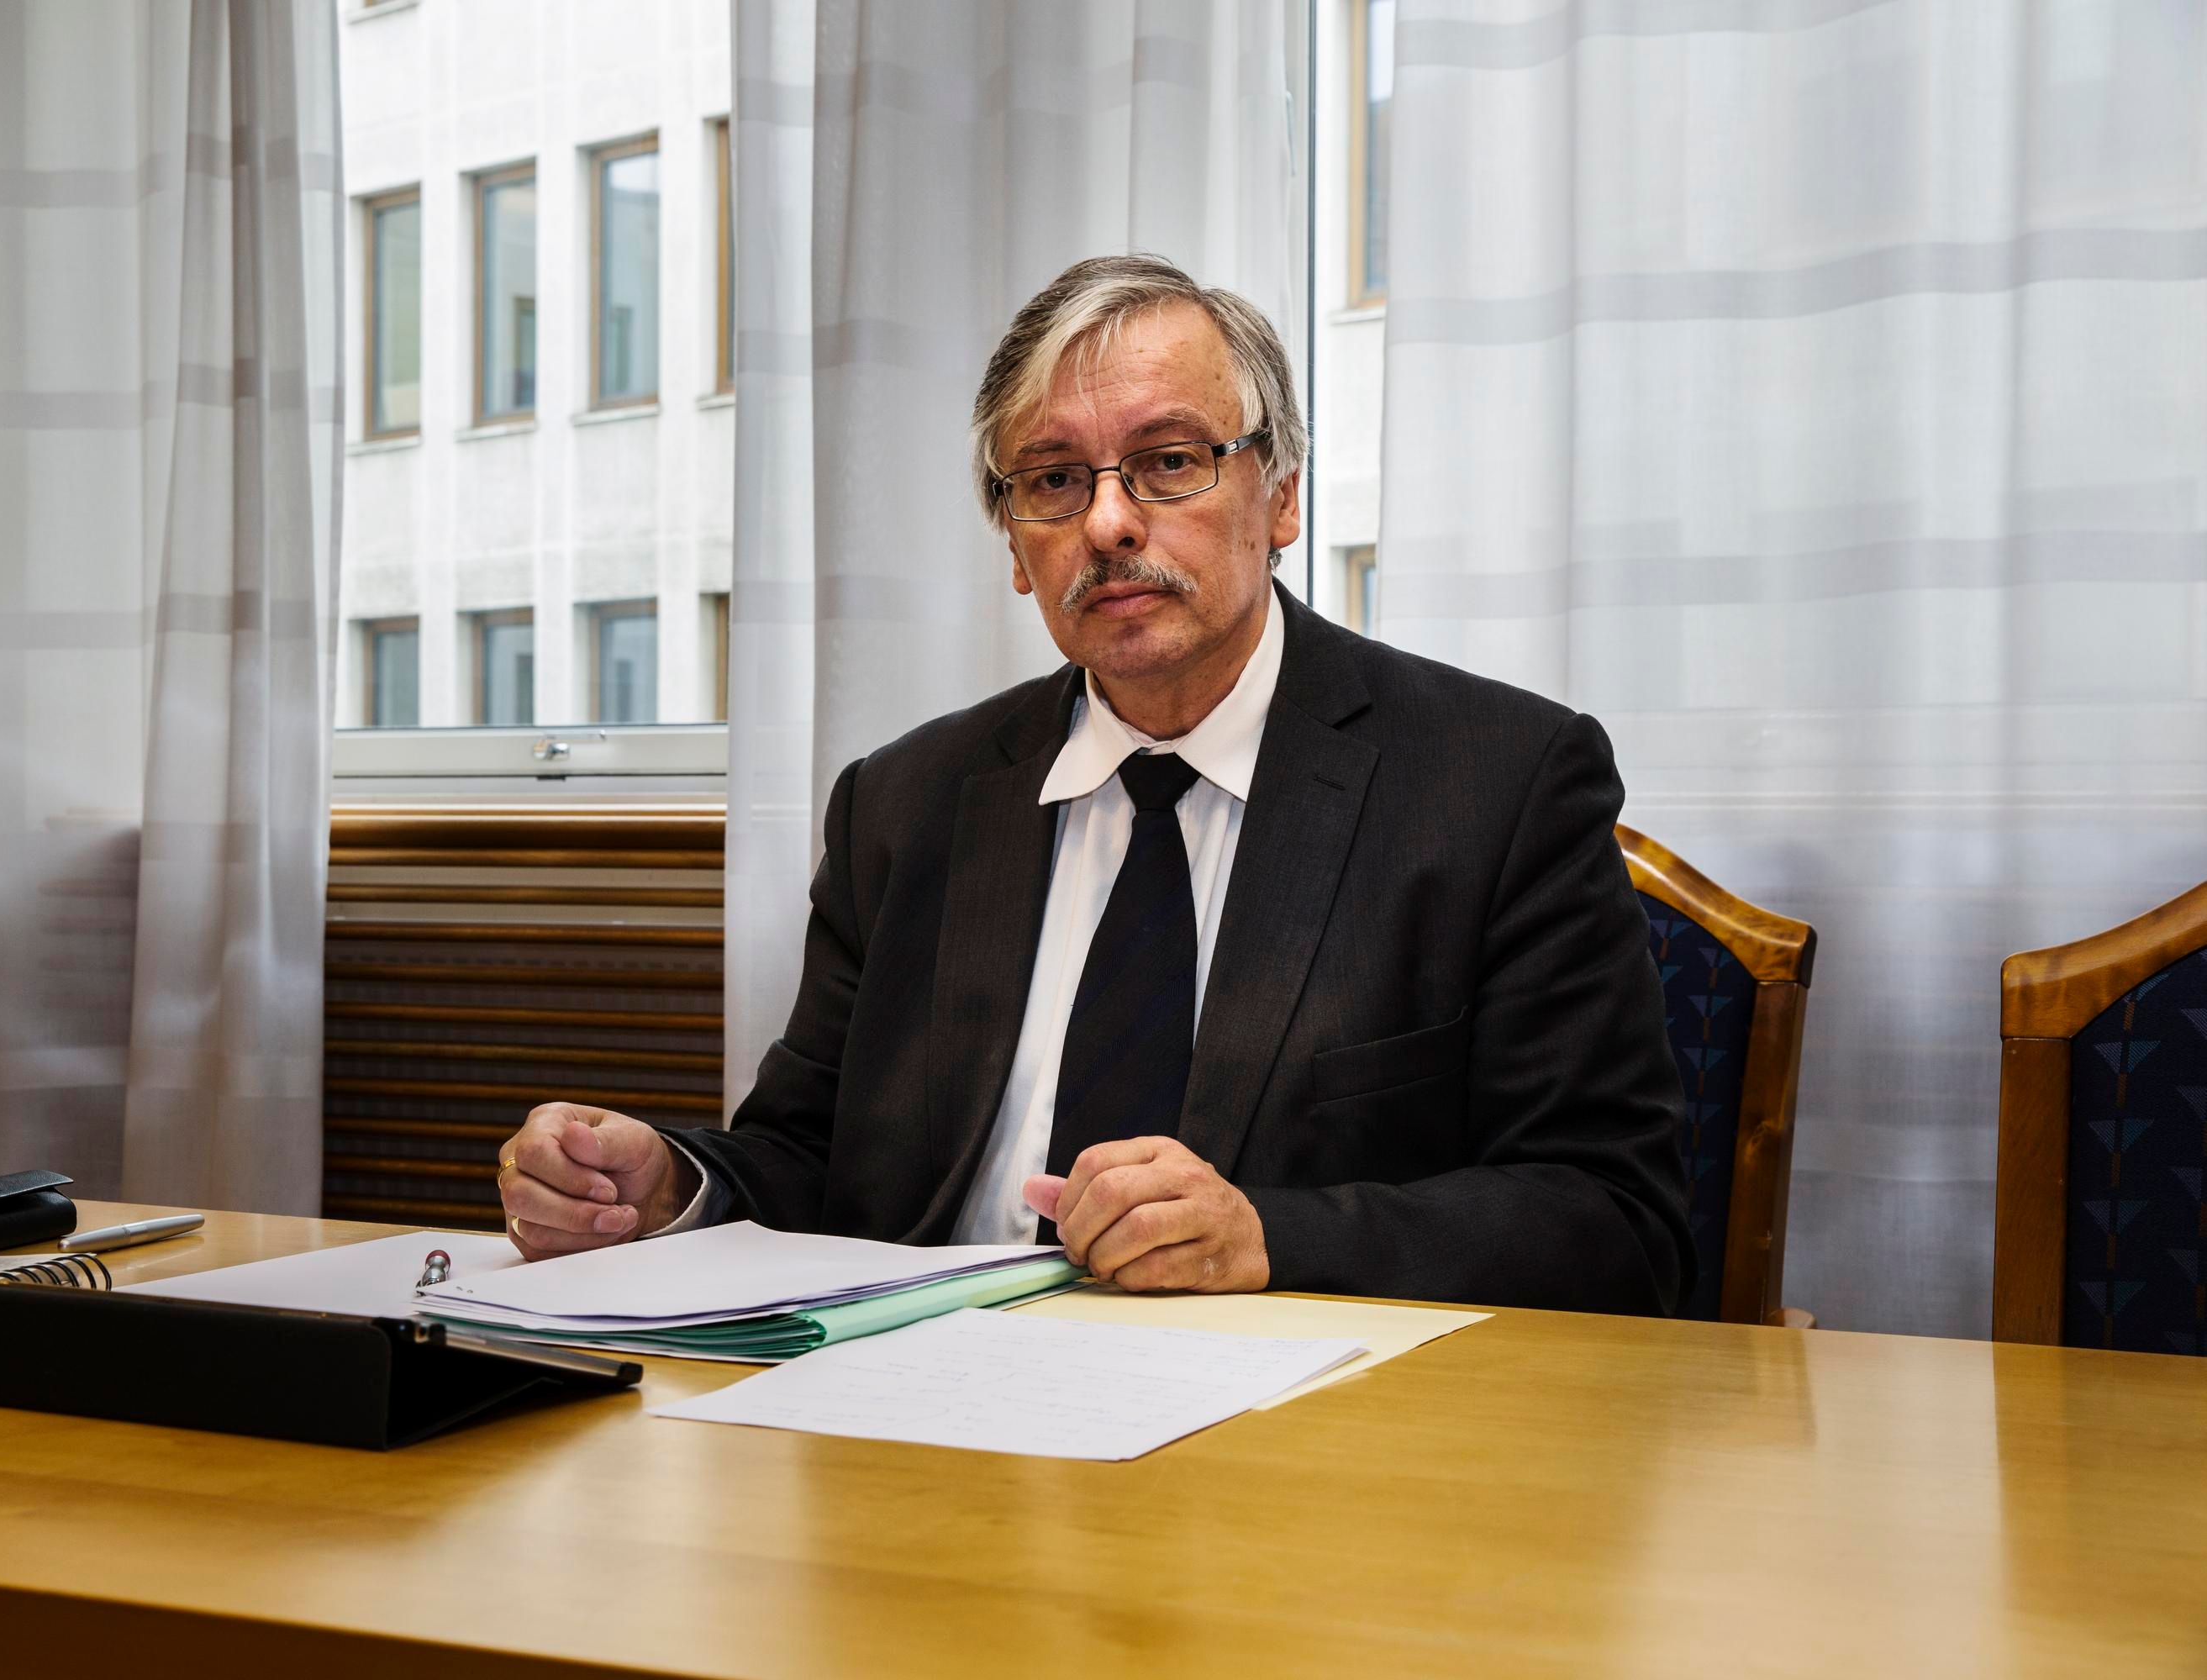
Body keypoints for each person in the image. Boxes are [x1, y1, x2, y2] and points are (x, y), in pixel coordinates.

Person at [494, 254, 1690, 1314]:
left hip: (1298, 1436)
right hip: (921, 1412)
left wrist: (1271, 1237)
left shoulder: (1496, 784)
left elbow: (1618, 1220)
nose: (1109, 522)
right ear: (1017, 546)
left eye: (1168, 462)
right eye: (1055, 481)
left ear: (1279, 494)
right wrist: (669, 1187)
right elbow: (813, 1162)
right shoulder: (904, 806)